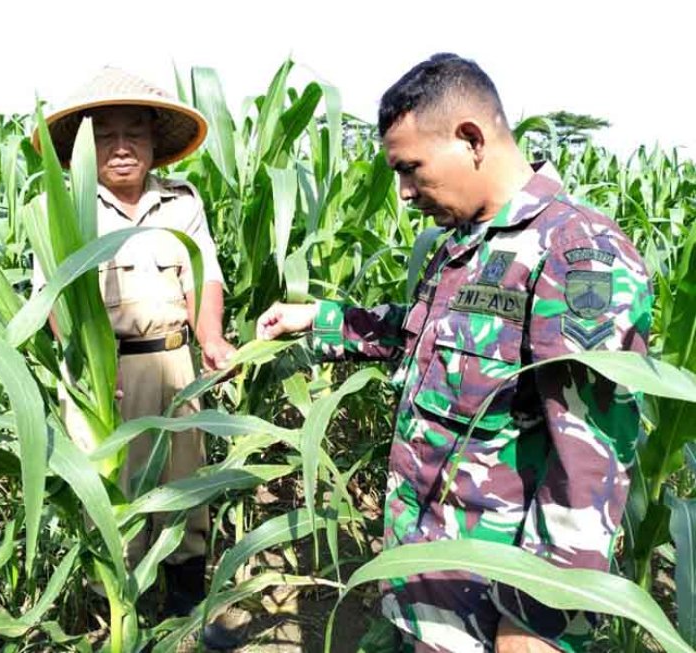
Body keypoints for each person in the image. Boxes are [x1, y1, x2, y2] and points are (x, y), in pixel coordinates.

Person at [256, 53, 652, 653]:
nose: (405, 192)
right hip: (427, 575)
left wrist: (537, 616)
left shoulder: (576, 253)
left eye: (411, 169)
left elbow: (590, 459)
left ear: (470, 138)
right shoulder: (463, 244)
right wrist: (319, 318)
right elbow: (420, 335)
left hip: (493, 600)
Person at [31, 68, 236, 625]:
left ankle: (187, 600)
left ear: (153, 141)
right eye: (105, 137)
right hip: (104, 371)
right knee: (111, 493)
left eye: (135, 134)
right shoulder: (65, 209)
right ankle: (117, 612)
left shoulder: (181, 202)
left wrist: (210, 339)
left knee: (186, 482)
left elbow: (203, 277)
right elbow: (54, 299)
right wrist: (85, 361)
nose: (122, 148)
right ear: (85, 148)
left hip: (173, 361)